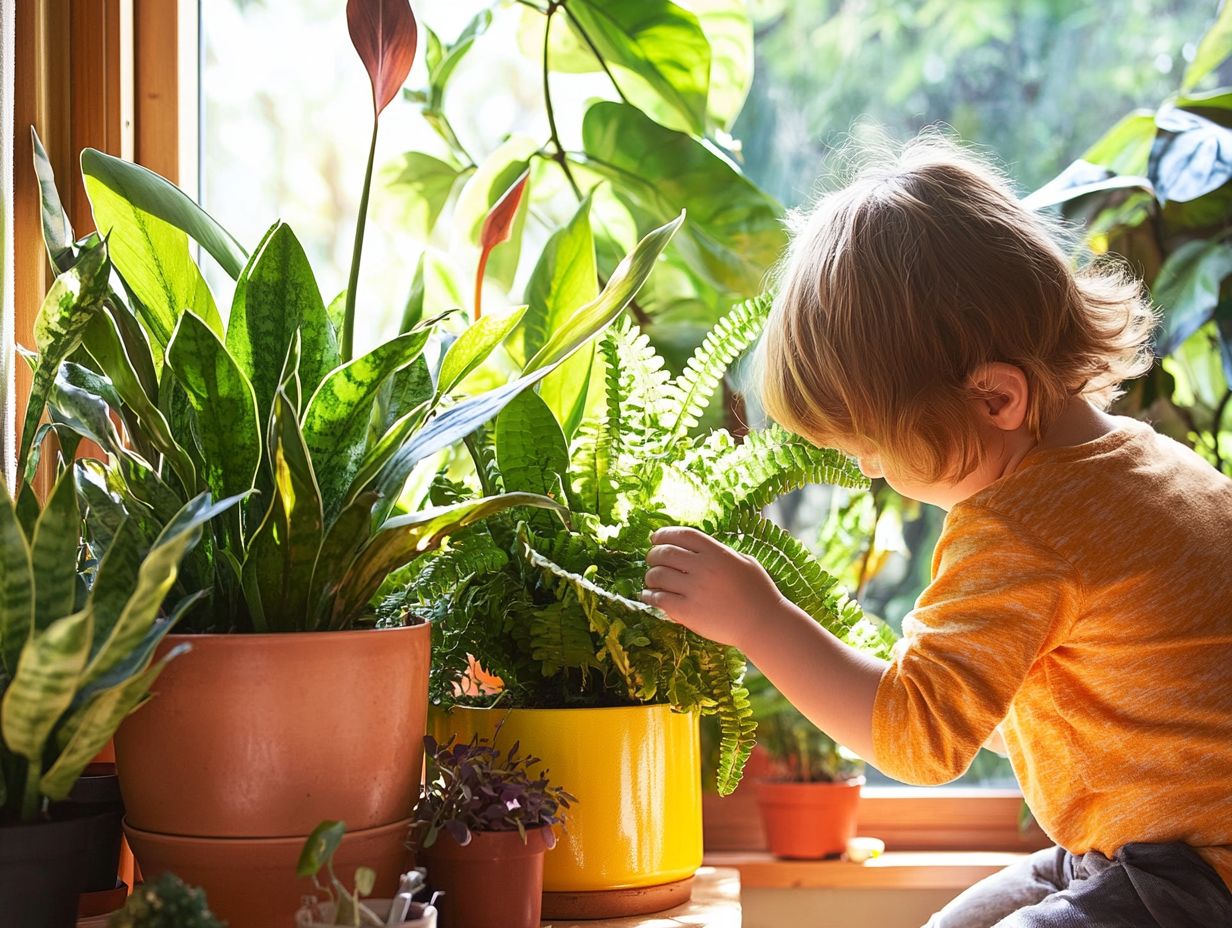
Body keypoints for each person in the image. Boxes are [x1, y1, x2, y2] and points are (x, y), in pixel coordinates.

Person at [641, 136, 1232, 927]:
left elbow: (918, 739)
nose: (874, 473)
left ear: (995, 400)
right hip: (1142, 842)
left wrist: (759, 618)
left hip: (1191, 875)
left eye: (875, 447)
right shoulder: (1144, 466)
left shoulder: (1024, 526)